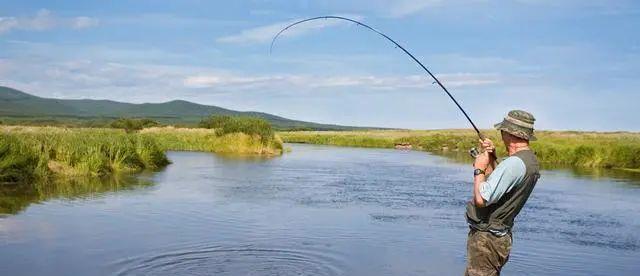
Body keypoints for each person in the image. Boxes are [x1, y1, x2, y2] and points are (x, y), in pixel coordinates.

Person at [464, 110, 541, 276]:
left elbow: (482, 199)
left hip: (487, 240)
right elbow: (497, 185)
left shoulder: (514, 163)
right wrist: (491, 156)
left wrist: (478, 168)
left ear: (508, 133)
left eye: (502, 131)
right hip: (499, 238)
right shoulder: (529, 160)